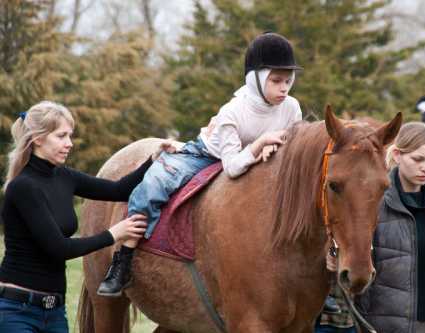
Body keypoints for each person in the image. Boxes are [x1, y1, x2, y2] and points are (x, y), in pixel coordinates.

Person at [97, 32, 304, 296]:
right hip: (206, 155)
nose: (284, 88)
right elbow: (232, 167)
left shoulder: (291, 107)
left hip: (259, 157)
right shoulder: (233, 111)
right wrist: (259, 145)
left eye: (288, 81)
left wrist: (271, 149)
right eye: (276, 81)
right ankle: (123, 261)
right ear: (256, 79)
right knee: (153, 185)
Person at [0, 101, 168, 332]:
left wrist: (153, 160)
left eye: (70, 135)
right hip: (17, 311)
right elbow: (59, 248)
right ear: (38, 139)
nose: (69, 144)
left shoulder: (64, 176)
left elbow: (118, 190)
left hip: (55, 311)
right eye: (61, 136)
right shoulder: (24, 187)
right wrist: (114, 233)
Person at [327, 122, 425, 333]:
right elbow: (357, 260)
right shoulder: (376, 203)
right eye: (418, 159)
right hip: (383, 324)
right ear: (397, 155)